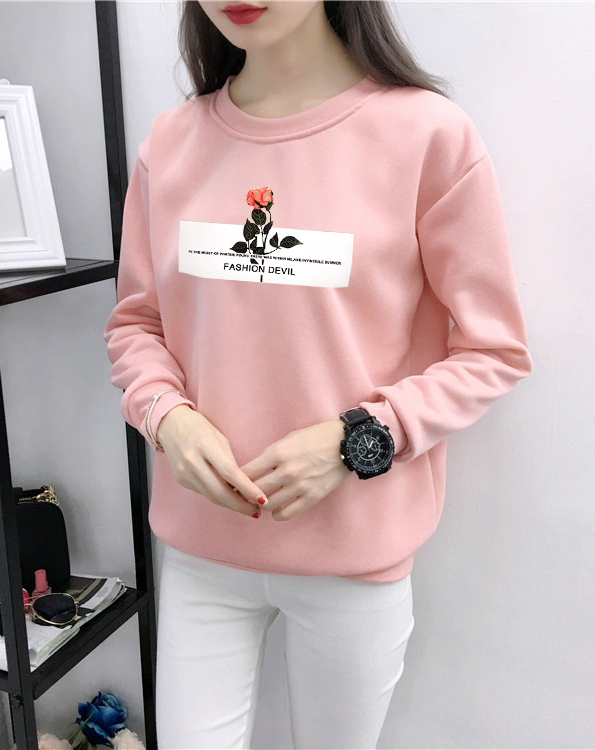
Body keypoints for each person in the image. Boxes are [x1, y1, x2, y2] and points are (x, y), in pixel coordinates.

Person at [103, 1, 533, 747]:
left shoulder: (426, 136)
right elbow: (137, 325)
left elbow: (493, 351)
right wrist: (166, 417)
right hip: (203, 553)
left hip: (352, 561)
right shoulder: (170, 144)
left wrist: (355, 440)